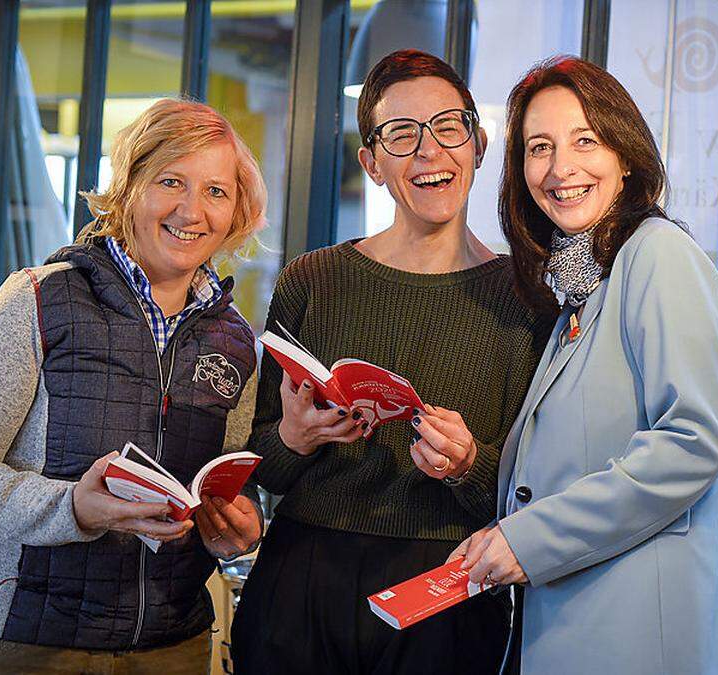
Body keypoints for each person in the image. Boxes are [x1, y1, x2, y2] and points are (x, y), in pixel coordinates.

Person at [229, 50, 549, 675]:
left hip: (448, 585)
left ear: (478, 144)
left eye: (448, 127)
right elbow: (259, 460)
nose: (429, 151)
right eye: (401, 136)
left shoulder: (527, 301)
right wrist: (294, 437)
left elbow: (538, 487)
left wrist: (468, 464)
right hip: (303, 576)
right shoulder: (313, 280)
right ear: (372, 164)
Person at [0, 98, 267, 674]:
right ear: (130, 187)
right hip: (24, 644)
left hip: (173, 646)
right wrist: (73, 509)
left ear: (235, 211)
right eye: (171, 181)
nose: (192, 209)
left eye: (216, 191)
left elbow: (225, 479)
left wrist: (238, 525)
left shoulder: (234, 340)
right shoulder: (38, 299)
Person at [454, 55, 718, 674]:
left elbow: (691, 443)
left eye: (584, 141)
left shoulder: (659, 255)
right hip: (583, 613)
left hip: (640, 630)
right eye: (538, 147)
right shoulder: (583, 280)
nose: (560, 168)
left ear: (624, 155)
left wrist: (528, 538)